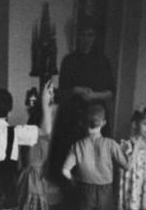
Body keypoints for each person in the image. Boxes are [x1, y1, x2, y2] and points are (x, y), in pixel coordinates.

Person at [61, 100, 132, 210]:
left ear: (84, 123)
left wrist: (74, 180)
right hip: (106, 191)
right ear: (104, 122)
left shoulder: (78, 145)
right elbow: (127, 166)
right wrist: (130, 150)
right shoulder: (111, 144)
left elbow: (65, 171)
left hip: (85, 190)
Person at [49, 16, 116, 182]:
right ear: (78, 37)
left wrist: (95, 95)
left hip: (96, 114)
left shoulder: (102, 61)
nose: (87, 39)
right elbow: (62, 92)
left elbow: (110, 92)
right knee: (71, 157)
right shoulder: (69, 60)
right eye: (84, 35)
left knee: (95, 159)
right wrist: (76, 90)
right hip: (73, 114)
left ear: (95, 37)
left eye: (91, 35)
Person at [13, 80, 59, 210]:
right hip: (31, 178)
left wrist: (46, 101)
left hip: (33, 177)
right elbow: (47, 128)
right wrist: (44, 101)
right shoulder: (36, 132)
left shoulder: (32, 130)